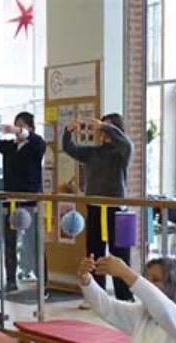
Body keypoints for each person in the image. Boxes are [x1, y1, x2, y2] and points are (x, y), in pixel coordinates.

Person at [63, 113, 134, 302]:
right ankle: (95, 296)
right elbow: (69, 148)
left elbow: (127, 144)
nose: (102, 131)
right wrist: (68, 131)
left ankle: (125, 297)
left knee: (120, 254)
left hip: (117, 209)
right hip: (94, 207)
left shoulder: (122, 152)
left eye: (108, 127)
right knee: (93, 252)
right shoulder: (93, 152)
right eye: (102, 127)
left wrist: (105, 126)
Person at [0, 112, 47, 294]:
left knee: (34, 242)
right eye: (15, 125)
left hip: (31, 201)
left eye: (21, 126)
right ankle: (10, 281)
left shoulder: (36, 144)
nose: (16, 129)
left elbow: (30, 137)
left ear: (29, 127)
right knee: (9, 242)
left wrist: (17, 129)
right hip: (11, 201)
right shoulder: (10, 146)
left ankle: (43, 283)